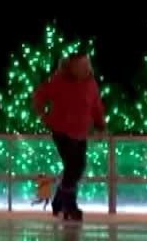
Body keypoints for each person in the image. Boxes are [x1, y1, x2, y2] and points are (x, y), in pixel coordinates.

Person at [32, 53, 107, 221]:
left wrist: (100, 125)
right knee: (73, 167)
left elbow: (96, 105)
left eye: (86, 65)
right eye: (81, 66)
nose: (85, 69)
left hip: (80, 133)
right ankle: (69, 205)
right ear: (72, 68)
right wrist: (44, 115)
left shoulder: (90, 84)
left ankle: (59, 201)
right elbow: (40, 95)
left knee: (77, 168)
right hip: (62, 132)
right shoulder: (59, 81)